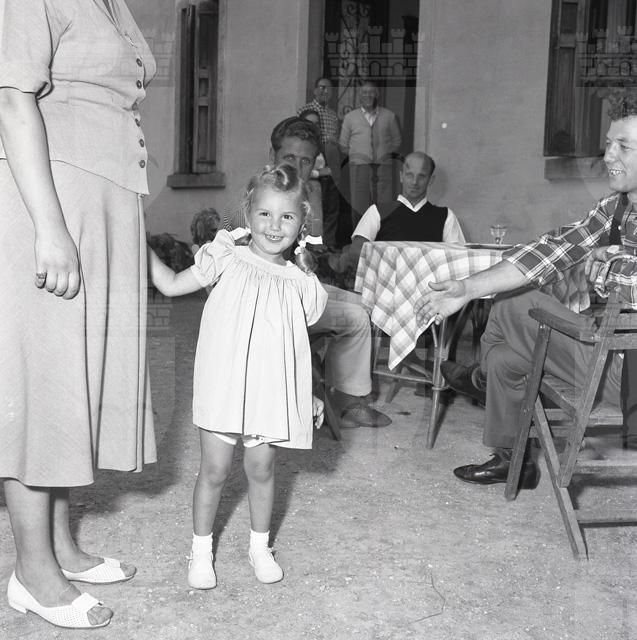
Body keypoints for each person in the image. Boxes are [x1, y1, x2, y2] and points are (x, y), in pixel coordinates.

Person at [0, 0, 156, 630]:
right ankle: (32, 573)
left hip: (100, 202)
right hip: (53, 203)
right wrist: (50, 229)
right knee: (43, 388)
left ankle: (60, 546)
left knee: (71, 386)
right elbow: (12, 101)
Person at [414, 95, 637, 489]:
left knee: (517, 303)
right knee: (508, 358)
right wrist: (467, 288)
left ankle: (479, 380)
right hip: (609, 353)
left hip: (627, 375)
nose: (608, 156)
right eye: (607, 144)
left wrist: (609, 264)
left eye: (624, 146)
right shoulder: (616, 208)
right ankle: (513, 459)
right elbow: (550, 249)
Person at [148, 164, 328, 588]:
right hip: (223, 387)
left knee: (261, 470)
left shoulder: (300, 281)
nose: (274, 226)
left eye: (287, 216)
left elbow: (297, 346)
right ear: (248, 213)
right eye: (265, 214)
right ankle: (201, 551)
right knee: (213, 471)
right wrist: (137, 243)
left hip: (269, 394)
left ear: (302, 222)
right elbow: (171, 285)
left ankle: (260, 547)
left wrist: (308, 392)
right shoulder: (225, 257)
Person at [221, 116, 392, 429]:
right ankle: (344, 401)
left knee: (366, 303)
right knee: (355, 317)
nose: (297, 169)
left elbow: (310, 253)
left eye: (306, 161)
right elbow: (229, 266)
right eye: (289, 158)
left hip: (293, 287)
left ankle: (337, 390)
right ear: (272, 156)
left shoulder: (303, 199)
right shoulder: (252, 203)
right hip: (263, 306)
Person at [329, 152, 465, 274]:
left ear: (431, 180)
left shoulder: (446, 216)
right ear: (401, 176)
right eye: (409, 175)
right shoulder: (377, 212)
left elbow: (458, 258)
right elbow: (356, 251)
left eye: (421, 176)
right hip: (386, 285)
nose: (415, 182)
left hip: (430, 287)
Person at [339, 80, 402, 225]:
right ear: (359, 96)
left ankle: (383, 235)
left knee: (383, 203)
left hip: (383, 167)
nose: (368, 95)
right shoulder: (350, 117)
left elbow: (397, 141)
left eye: (371, 92)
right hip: (359, 167)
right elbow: (343, 145)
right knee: (359, 204)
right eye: (364, 92)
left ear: (377, 94)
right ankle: (360, 236)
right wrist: (357, 156)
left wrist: (384, 154)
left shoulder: (389, 116)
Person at [298, 77, 342, 250]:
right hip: (313, 174)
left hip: (326, 159)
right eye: (322, 87)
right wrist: (321, 172)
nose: (325, 91)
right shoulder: (305, 110)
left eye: (328, 88)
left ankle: (327, 245)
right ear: (315, 90)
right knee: (313, 210)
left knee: (332, 207)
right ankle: (313, 247)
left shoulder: (332, 115)